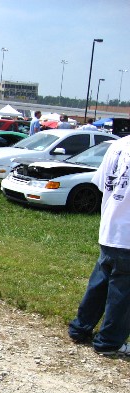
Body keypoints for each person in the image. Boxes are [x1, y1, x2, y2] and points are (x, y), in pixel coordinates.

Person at [68, 135, 130, 356]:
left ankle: (80, 328)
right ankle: (109, 342)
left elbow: (103, 184)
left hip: (111, 227)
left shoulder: (119, 144)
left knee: (101, 282)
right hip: (127, 234)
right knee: (122, 293)